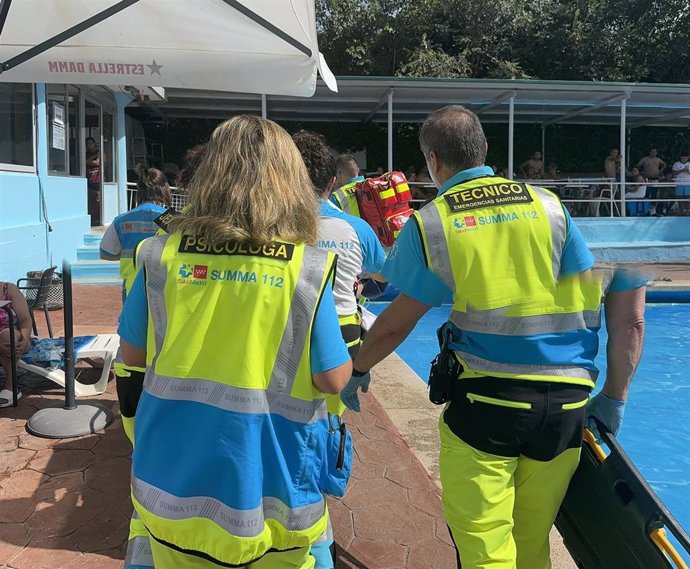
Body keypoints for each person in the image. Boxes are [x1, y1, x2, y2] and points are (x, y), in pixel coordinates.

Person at [340, 105, 646, 569]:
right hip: (566, 411)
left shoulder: (436, 221)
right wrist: (614, 398)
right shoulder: (549, 205)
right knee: (531, 542)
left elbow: (398, 319)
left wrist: (358, 368)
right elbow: (624, 313)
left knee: (485, 550)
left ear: (434, 162)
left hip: (488, 407)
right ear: (484, 150)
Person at [117, 115, 352, 569]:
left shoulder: (160, 253)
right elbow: (333, 378)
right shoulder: (305, 266)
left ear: (210, 176)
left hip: (172, 491)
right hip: (270, 494)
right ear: (290, 183)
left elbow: (133, 355)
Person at [291, 130, 386, 569]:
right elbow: (387, 278)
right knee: (325, 431)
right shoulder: (356, 228)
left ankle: (306, 525)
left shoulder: (271, 224)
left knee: (290, 428)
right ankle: (316, 529)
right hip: (343, 346)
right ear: (332, 182)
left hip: (285, 342)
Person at [99, 165, 171, 300]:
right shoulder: (172, 220)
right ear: (164, 190)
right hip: (165, 289)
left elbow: (106, 253)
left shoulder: (121, 220)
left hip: (132, 290)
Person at [0, 282, 32, 408]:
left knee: (7, 336)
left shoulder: (8, 289)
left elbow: (25, 319)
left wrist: (24, 341)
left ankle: (11, 387)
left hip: (17, 338)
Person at [86, 136, 102, 226]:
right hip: (89, 182)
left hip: (97, 181)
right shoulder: (87, 154)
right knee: (90, 202)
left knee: (97, 201)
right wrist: (93, 157)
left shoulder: (99, 153)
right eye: (87, 144)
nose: (89, 145)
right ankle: (92, 219)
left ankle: (98, 219)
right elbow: (86, 161)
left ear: (94, 144)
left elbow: (98, 163)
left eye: (91, 143)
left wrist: (94, 159)